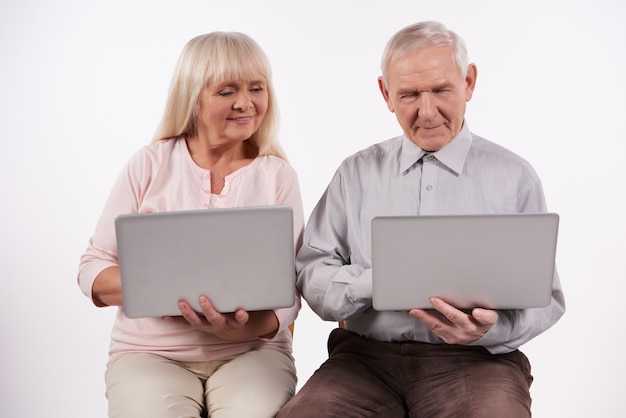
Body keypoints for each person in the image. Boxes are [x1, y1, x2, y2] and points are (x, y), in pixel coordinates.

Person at [278, 21, 565, 418]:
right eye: (409, 94)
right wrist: (378, 281)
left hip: (477, 362)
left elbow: (546, 297)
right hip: (364, 361)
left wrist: (490, 330)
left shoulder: (514, 176)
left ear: (469, 82)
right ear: (386, 94)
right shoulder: (355, 174)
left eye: (441, 90)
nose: (426, 112)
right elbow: (311, 272)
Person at [78, 31, 304, 418]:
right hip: (149, 354)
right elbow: (93, 268)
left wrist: (241, 330)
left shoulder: (277, 176)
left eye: (256, 88)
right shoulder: (149, 164)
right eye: (226, 91)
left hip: (251, 354)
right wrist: (160, 284)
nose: (245, 103)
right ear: (192, 97)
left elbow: (292, 287)